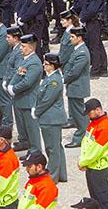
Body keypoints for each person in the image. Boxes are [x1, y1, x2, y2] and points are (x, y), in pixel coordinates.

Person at [33, 53, 68, 183]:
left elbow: (47, 100)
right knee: (56, 147)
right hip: (51, 117)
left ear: (52, 66)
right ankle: (61, 174)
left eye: (46, 64)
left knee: (52, 148)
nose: (44, 66)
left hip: (51, 118)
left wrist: (36, 111)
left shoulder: (54, 80)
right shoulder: (50, 78)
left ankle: (53, 176)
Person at [7, 34, 43, 156]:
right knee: (25, 127)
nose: (21, 48)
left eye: (23, 46)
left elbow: (27, 82)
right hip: (21, 99)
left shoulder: (34, 63)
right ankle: (30, 148)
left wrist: (14, 89)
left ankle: (36, 152)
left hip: (29, 100)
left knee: (32, 129)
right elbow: (17, 75)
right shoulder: (25, 59)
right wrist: (10, 85)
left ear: (31, 48)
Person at [78, 99, 108, 209]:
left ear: (98, 110)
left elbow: (96, 151)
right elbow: (86, 142)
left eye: (90, 113)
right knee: (94, 199)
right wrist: (83, 160)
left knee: (103, 199)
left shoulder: (105, 127)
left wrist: (82, 162)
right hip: (91, 166)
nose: (88, 116)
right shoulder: (94, 124)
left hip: (99, 169)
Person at [63, 27, 91, 148]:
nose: (70, 39)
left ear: (80, 38)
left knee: (79, 113)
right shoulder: (77, 50)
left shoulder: (82, 53)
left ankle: (81, 135)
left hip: (77, 86)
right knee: (76, 112)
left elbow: (74, 71)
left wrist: (63, 79)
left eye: (73, 37)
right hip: (74, 85)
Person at [78, 0, 108, 79]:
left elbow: (92, 9)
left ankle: (96, 70)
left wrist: (83, 18)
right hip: (91, 19)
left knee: (94, 46)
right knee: (97, 44)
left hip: (94, 20)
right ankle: (103, 67)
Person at [2, 26, 27, 150]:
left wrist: (10, 83)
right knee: (18, 114)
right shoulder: (15, 50)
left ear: (15, 38)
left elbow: (17, 70)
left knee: (20, 115)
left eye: (9, 37)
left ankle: (25, 140)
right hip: (12, 85)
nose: (7, 39)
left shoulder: (18, 52)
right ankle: (23, 138)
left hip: (17, 89)